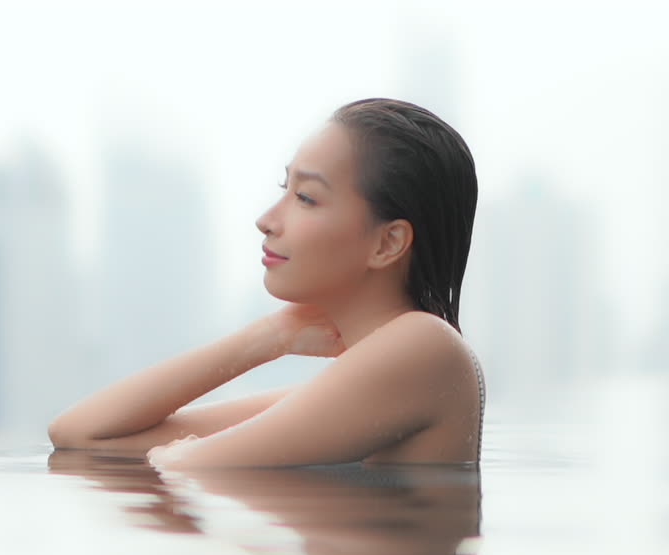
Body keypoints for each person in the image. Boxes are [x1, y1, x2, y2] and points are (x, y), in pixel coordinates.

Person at [47, 98, 484, 470]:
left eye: (306, 198)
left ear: (388, 243)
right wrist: (271, 336)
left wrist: (181, 455)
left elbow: (187, 466)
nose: (266, 221)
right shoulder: (384, 372)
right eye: (285, 188)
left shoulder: (422, 346)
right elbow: (76, 433)